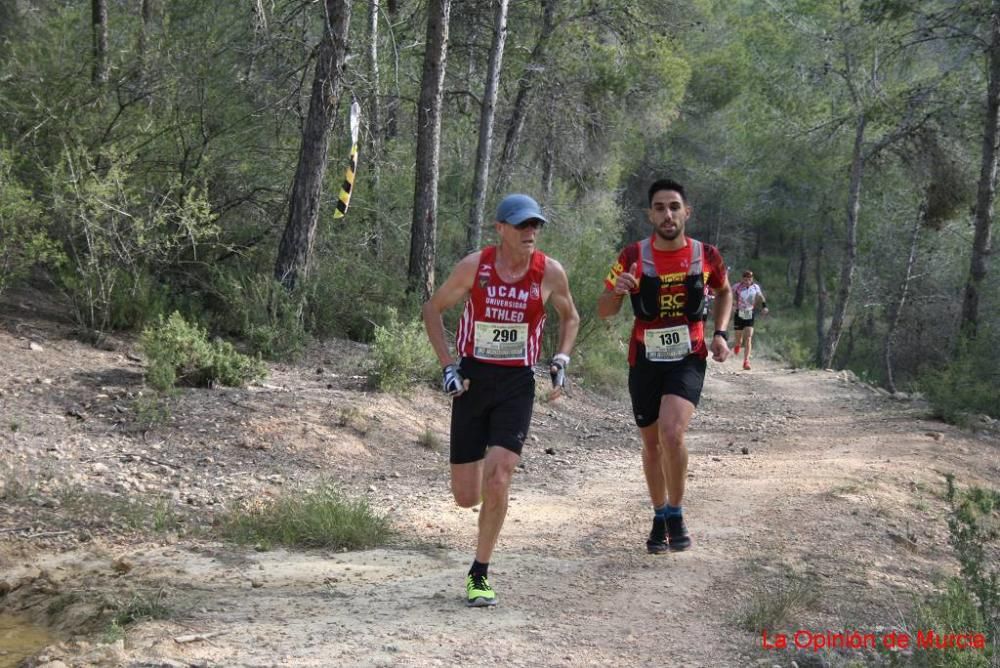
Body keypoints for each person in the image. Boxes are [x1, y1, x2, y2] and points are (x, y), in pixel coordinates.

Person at [422, 193, 580, 607]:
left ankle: (480, 572)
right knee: (466, 496)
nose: (531, 232)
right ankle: (484, 505)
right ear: (501, 229)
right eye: (522, 225)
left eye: (535, 226)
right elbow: (433, 309)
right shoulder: (476, 266)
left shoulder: (550, 273)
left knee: (500, 475)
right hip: (473, 380)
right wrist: (447, 365)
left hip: (516, 384)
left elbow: (571, 316)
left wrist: (561, 356)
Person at [597, 178, 732, 553]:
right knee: (652, 444)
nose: (667, 214)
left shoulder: (707, 255)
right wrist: (617, 291)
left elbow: (724, 291)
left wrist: (720, 333)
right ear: (650, 214)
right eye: (659, 207)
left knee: (672, 433)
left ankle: (676, 511)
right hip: (644, 360)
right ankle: (659, 516)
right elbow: (604, 311)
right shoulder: (631, 256)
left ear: (687, 212)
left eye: (674, 206)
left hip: (688, 357)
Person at [731, 270, 769, 371]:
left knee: (748, 337)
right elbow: (731, 296)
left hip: (749, 313)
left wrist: (764, 307)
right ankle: (737, 345)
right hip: (739, 313)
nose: (747, 281)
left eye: (749, 279)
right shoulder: (736, 287)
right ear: (742, 279)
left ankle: (746, 361)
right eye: (745, 279)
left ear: (752, 279)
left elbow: (761, 297)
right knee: (739, 337)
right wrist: (733, 305)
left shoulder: (756, 287)